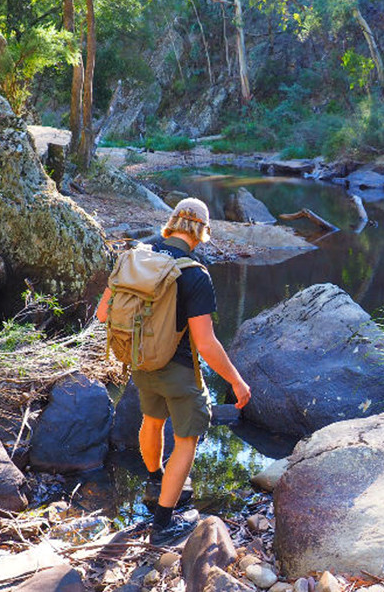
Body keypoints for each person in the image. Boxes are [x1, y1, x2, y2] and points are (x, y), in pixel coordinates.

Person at [96, 197, 251, 544]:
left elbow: (103, 314)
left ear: (172, 224)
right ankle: (164, 524)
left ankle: (155, 481)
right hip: (179, 371)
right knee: (187, 439)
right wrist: (236, 381)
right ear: (202, 232)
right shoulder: (195, 275)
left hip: (138, 361)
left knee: (152, 421)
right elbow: (207, 344)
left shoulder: (135, 257)